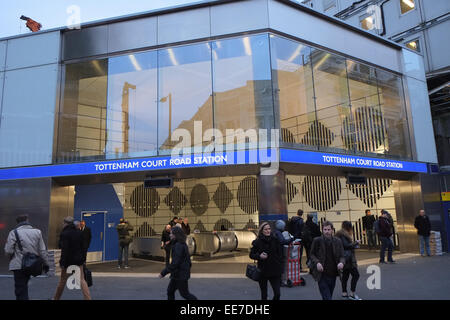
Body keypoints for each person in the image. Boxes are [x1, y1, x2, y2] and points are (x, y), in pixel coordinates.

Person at [4, 215, 49, 300]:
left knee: (20, 289)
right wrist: (46, 263)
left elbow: (8, 251)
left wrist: (11, 258)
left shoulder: (13, 232)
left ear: (18, 223)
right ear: (27, 220)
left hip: (18, 265)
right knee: (24, 286)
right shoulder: (37, 232)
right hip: (32, 265)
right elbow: (42, 250)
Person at [53, 216, 91, 300]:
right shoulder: (79, 232)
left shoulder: (64, 233)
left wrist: (62, 262)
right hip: (78, 260)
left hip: (68, 260)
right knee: (82, 279)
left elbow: (64, 249)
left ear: (65, 223)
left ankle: (56, 298)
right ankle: (88, 298)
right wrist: (83, 259)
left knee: (62, 280)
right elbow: (83, 247)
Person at [309, 221, 345, 300]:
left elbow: (342, 255)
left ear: (332, 230)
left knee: (329, 295)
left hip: (333, 273)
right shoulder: (317, 240)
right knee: (327, 297)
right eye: (325, 229)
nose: (327, 232)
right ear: (322, 230)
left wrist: (341, 262)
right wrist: (317, 262)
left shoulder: (337, 241)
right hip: (321, 274)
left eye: (328, 230)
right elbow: (311, 254)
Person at [159, 226, 197, 300]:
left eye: (171, 233)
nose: (170, 235)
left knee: (185, 294)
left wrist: (163, 273)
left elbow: (175, 263)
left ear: (176, 234)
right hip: (178, 274)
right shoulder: (180, 243)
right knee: (170, 291)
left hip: (180, 274)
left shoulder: (178, 246)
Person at [249, 222, 283, 300]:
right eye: (266, 229)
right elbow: (251, 255)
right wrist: (259, 256)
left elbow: (281, 255)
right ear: (262, 231)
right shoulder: (257, 242)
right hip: (263, 271)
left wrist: (280, 266)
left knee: (277, 294)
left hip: (275, 270)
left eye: (269, 229)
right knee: (264, 295)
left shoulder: (275, 240)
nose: (268, 231)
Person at [336, 221, 362, 300]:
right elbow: (346, 246)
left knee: (345, 276)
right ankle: (352, 294)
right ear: (349, 227)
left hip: (343, 258)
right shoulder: (343, 235)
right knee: (356, 275)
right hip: (348, 259)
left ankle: (344, 293)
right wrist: (355, 243)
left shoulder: (340, 234)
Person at [273, 220, 295, 287]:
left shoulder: (275, 232)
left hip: (276, 252)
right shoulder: (279, 233)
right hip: (279, 253)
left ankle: (278, 281)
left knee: (278, 267)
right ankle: (280, 282)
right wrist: (291, 239)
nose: (284, 228)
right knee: (280, 267)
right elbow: (282, 241)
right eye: (283, 226)